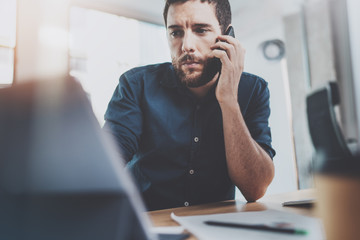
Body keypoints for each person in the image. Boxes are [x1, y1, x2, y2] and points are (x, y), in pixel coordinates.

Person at [103, 0, 275, 211]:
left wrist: (228, 100)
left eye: (201, 30)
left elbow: (255, 188)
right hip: (146, 222)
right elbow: (106, 164)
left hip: (214, 227)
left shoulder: (253, 90)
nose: (186, 46)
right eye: (176, 33)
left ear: (227, 36)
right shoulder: (136, 85)